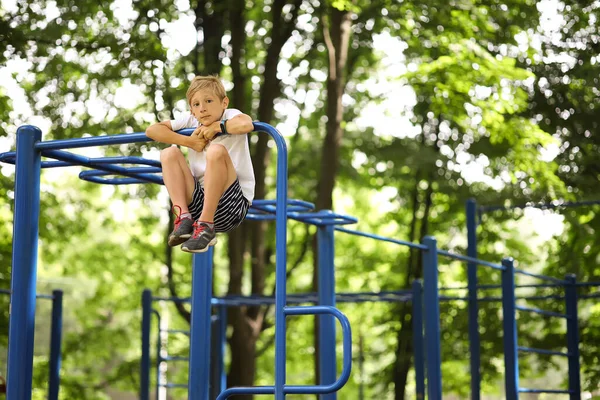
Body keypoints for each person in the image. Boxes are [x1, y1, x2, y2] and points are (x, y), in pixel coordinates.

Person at [146, 75, 255, 253]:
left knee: (216, 150)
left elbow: (246, 124)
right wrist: (190, 142)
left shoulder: (231, 115)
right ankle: (184, 218)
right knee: (169, 153)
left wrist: (219, 127)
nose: (202, 108)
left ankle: (207, 226)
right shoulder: (191, 121)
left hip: (232, 205)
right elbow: (152, 130)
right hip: (198, 204)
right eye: (196, 104)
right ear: (192, 110)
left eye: (209, 101)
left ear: (224, 103)